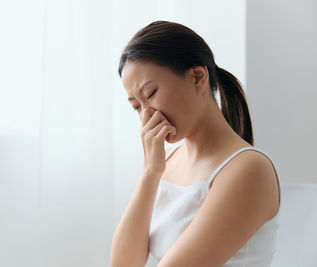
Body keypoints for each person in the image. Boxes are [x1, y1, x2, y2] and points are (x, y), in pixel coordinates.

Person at [110, 20, 281, 267]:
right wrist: (150, 172)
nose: (147, 116)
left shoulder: (249, 169)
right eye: (136, 107)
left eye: (150, 94)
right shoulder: (167, 163)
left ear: (197, 78)